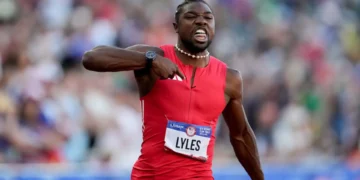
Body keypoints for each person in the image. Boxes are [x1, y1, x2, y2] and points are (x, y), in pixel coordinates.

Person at [82, 0, 264, 179]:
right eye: (191, 16)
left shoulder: (229, 78)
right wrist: (150, 60)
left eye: (208, 18)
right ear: (176, 26)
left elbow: (240, 136)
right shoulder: (156, 56)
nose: (201, 21)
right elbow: (92, 58)